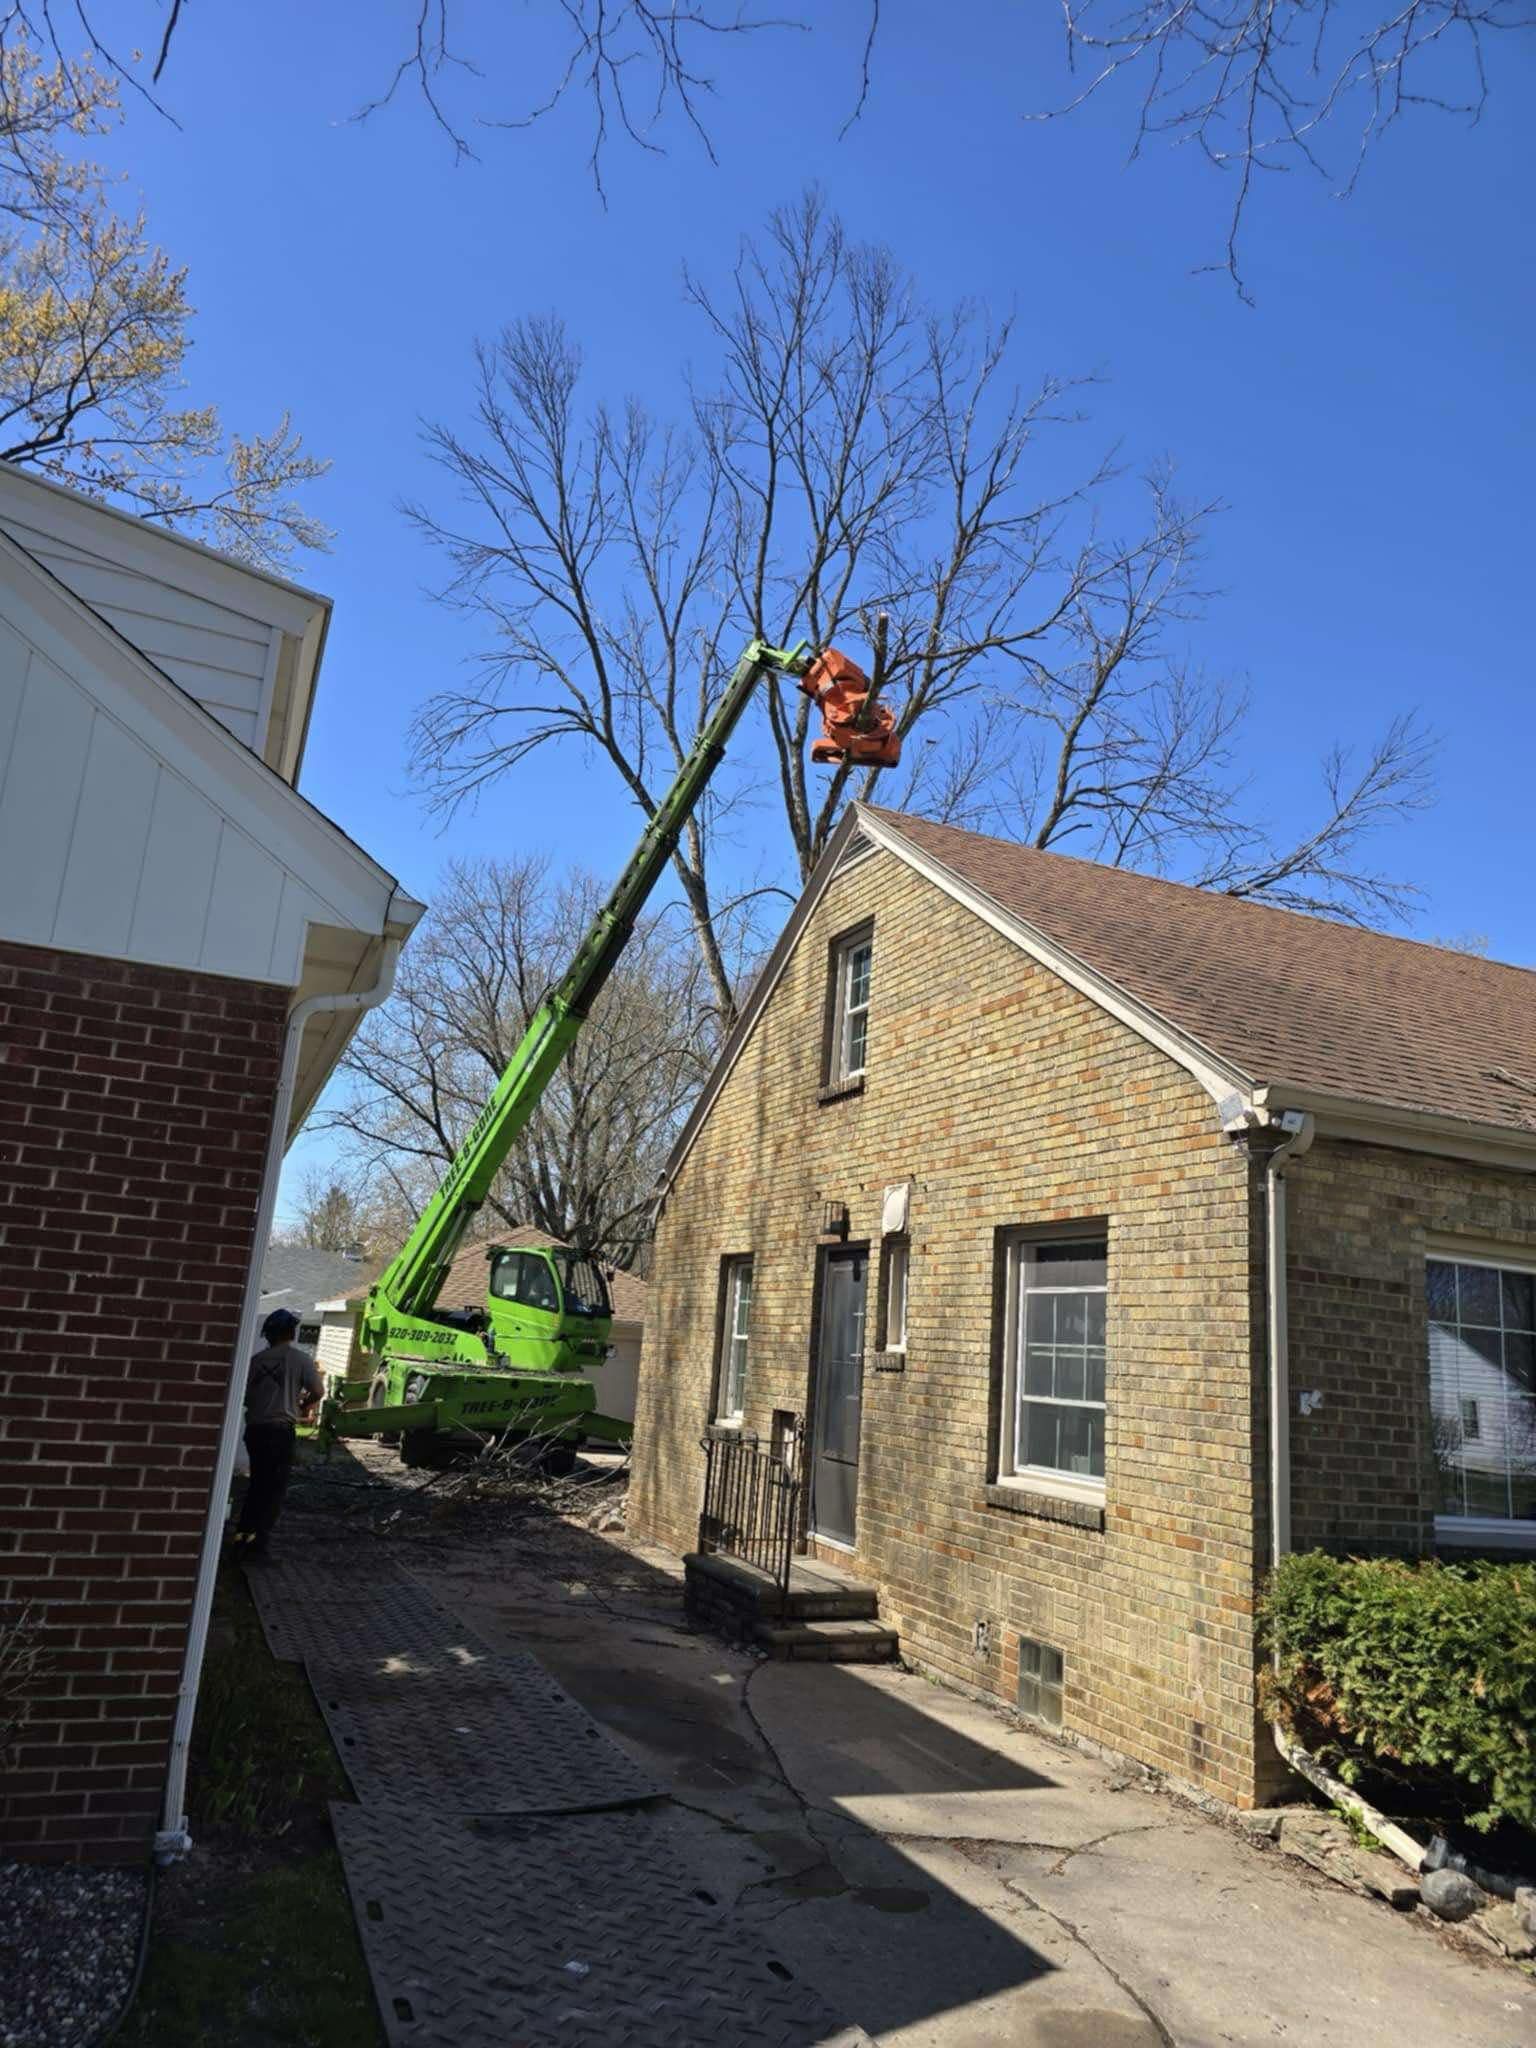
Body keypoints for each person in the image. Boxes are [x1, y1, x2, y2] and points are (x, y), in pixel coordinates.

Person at [233, 1308, 324, 1561]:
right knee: (274, 1490)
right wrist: (303, 1406)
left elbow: (246, 1397)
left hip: (255, 1431)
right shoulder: (299, 1359)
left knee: (257, 1485)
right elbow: (318, 1390)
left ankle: (242, 1537)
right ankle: (258, 1547)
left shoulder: (255, 1361)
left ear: (268, 1335)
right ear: (291, 1333)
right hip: (279, 1432)